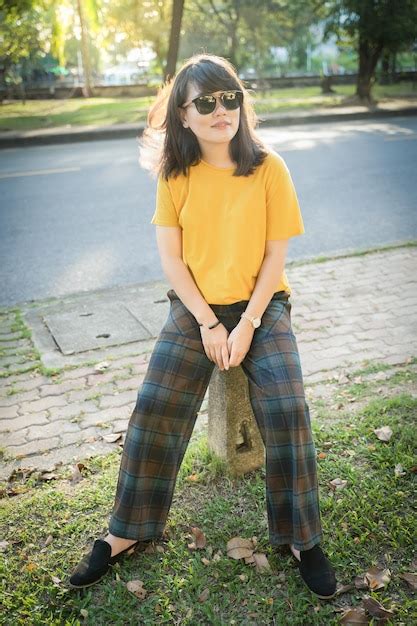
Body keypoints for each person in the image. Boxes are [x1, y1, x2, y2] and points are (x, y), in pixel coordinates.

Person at [69, 53, 336, 599]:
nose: (222, 110)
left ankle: (302, 538)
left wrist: (249, 324)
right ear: (184, 116)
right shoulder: (176, 173)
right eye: (207, 102)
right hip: (195, 308)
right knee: (156, 403)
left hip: (264, 305)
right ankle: (126, 531)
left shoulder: (269, 168)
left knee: (287, 406)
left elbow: (273, 260)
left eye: (231, 98)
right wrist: (212, 325)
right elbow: (172, 261)